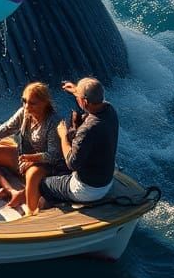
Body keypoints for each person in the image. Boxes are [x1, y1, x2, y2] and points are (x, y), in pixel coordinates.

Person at [0, 82, 67, 215]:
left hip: (44, 164)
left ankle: (31, 212)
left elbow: (54, 155)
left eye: (32, 103)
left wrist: (33, 159)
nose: (27, 106)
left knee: (33, 175)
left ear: (44, 103)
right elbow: (6, 128)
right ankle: (11, 190)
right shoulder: (24, 112)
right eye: (24, 101)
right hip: (24, 156)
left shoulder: (54, 122)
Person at [39, 77, 119, 209]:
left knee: (44, 184)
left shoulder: (87, 129)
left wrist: (63, 136)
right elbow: (92, 98)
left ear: (85, 101)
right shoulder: (110, 110)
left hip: (87, 190)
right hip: (106, 182)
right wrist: (76, 90)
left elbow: (72, 163)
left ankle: (55, 208)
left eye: (78, 98)